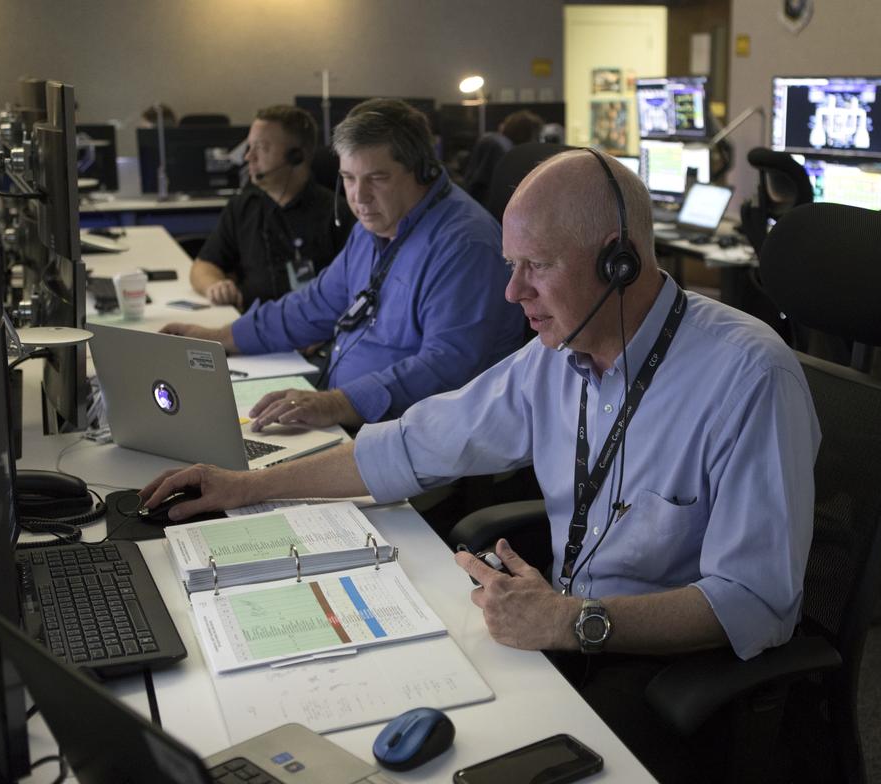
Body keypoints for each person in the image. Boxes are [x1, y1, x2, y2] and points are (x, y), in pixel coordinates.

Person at [143, 149, 820, 782]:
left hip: (663, 671)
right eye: (510, 264)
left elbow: (755, 601)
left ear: (620, 262)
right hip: (562, 630)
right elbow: (413, 446)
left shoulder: (747, 377)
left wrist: (571, 620)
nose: (511, 292)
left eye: (537, 267)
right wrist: (247, 485)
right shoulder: (559, 354)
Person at [162, 99, 523, 430]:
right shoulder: (376, 224)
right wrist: (218, 338)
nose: (359, 198)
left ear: (424, 171)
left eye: (377, 178)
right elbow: (313, 306)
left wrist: (336, 404)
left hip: (415, 434)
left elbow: (445, 368)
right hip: (346, 415)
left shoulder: (465, 246)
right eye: (348, 179)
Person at [189, 105, 347, 309]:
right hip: (251, 328)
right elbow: (203, 265)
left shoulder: (336, 213)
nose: (248, 157)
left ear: (296, 156)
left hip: (314, 332)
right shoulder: (243, 207)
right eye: (250, 146)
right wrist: (216, 286)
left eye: (261, 148)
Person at [460, 109, 545, 202]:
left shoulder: (498, 145)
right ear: (528, 134)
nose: (539, 141)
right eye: (537, 136)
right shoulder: (511, 156)